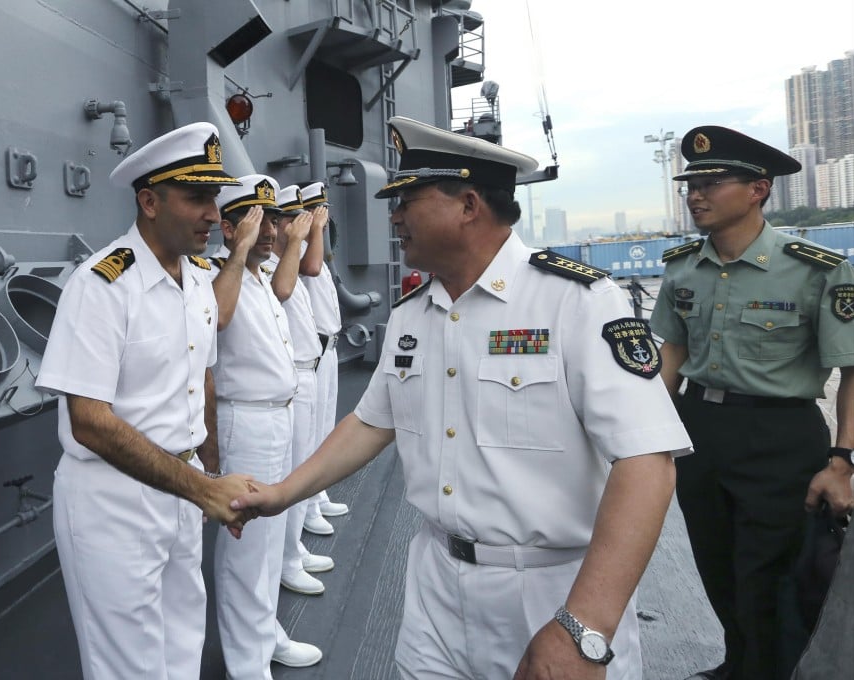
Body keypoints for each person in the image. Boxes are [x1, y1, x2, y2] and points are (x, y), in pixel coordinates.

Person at [232, 116, 693, 680]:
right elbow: (372, 422)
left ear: (469, 204)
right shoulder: (412, 314)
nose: (394, 216)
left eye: (408, 200)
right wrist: (281, 494)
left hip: (551, 590)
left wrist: (585, 627)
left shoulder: (578, 302)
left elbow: (647, 461)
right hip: (435, 589)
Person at [34, 122, 257, 680]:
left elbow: (199, 372)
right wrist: (205, 488)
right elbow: (89, 423)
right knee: (128, 664)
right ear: (150, 201)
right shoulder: (102, 284)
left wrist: (210, 464)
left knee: (183, 639)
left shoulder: (199, 281)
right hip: (115, 498)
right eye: (198, 197)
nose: (214, 213)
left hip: (179, 489)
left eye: (215, 197)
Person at [648, 125, 854, 680]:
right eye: (690, 183)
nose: (695, 194)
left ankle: (767, 670)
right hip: (699, 430)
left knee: (768, 575)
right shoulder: (682, 266)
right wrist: (644, 437)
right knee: (715, 564)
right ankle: (739, 662)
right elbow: (670, 354)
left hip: (780, 436)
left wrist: (843, 462)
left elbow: (852, 369)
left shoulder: (817, 267)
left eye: (712, 182)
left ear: (759, 189)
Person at [206, 175, 322, 677]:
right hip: (244, 424)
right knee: (246, 555)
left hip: (277, 417)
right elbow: (216, 318)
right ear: (228, 230)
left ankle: (266, 635)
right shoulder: (216, 271)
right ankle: (247, 665)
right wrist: (238, 254)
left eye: (273, 219)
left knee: (270, 546)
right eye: (258, 221)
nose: (271, 230)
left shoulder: (259, 275)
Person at [271, 184, 337, 597]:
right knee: (295, 465)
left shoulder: (288, 259)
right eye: (293, 217)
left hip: (315, 361)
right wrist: (308, 233)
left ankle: (293, 546)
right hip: (292, 375)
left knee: (312, 450)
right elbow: (300, 276)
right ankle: (289, 556)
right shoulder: (280, 265)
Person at [298, 181, 350, 534]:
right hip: (312, 355)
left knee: (323, 431)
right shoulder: (301, 251)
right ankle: (307, 506)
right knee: (310, 436)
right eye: (319, 213)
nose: (324, 220)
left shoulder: (315, 247)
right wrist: (315, 228)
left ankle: (317, 495)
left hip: (327, 350)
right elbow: (312, 268)